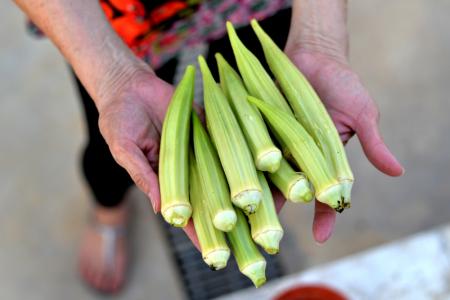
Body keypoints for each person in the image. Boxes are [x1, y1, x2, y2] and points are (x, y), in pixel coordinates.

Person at [13, 0, 404, 294]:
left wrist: (321, 38)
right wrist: (112, 77)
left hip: (254, 3)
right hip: (122, 16)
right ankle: (108, 211)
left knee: (265, 95)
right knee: (119, 144)